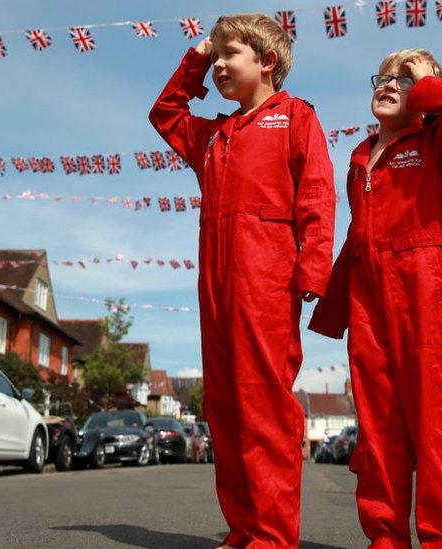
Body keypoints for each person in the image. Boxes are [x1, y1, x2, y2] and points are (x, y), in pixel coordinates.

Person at [149, 13, 336, 549]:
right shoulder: (213, 134)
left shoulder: (295, 116)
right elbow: (165, 112)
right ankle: (245, 527)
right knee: (225, 405)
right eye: (218, 57)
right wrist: (198, 57)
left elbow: (318, 195)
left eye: (231, 55)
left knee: (262, 401)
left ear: (267, 61)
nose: (221, 66)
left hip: (267, 274)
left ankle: (274, 534)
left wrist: (312, 268)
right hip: (215, 276)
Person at [308, 49, 442, 548]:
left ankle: (441, 542)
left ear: (429, 95)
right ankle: (384, 539)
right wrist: (330, 303)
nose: (389, 85)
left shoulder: (441, 143)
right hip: (368, 298)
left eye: (404, 80)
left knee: (435, 428)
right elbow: (357, 237)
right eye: (384, 77)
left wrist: (426, 82)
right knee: (378, 428)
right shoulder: (360, 157)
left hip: (422, 291)